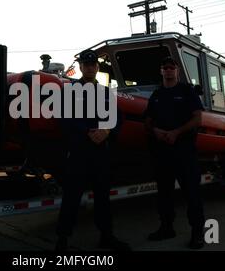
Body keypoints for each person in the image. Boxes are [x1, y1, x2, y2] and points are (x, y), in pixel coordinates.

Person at [55, 49, 130, 251]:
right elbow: (64, 118)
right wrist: (87, 132)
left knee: (103, 198)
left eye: (93, 64)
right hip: (79, 152)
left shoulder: (106, 93)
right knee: (71, 197)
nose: (89, 67)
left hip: (101, 153)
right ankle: (62, 240)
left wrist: (107, 131)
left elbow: (117, 118)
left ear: (97, 67)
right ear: (80, 67)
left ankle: (106, 236)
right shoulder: (70, 91)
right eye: (86, 64)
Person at [144, 56, 205, 250]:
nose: (168, 70)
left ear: (177, 71)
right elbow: (148, 120)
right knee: (164, 193)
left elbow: (197, 118)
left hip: (184, 150)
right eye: (165, 67)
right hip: (162, 152)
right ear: (161, 71)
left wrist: (176, 133)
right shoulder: (156, 95)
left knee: (192, 193)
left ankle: (197, 232)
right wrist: (155, 131)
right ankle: (166, 227)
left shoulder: (187, 91)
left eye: (172, 67)